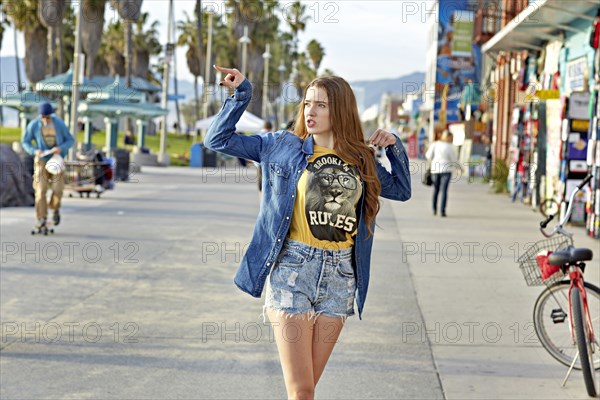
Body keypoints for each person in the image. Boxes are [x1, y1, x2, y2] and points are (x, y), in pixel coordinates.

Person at [204, 65, 411, 399]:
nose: (310, 111)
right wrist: (241, 94)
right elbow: (216, 139)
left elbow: (401, 189)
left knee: (308, 388)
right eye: (307, 103)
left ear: (340, 110)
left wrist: (394, 146)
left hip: (340, 277)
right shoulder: (282, 146)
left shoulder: (360, 160)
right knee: (300, 391)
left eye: (321, 104)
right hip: (293, 271)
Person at [22, 102, 74, 228]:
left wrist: (61, 148)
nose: (45, 119)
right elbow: (25, 141)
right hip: (41, 160)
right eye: (43, 117)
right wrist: (34, 150)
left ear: (52, 115)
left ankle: (55, 209)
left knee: (58, 189)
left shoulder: (59, 124)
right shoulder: (34, 125)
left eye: (48, 117)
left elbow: (70, 140)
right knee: (40, 190)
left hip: (56, 159)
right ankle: (41, 217)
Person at [425, 130, 458, 217]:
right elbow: (454, 160)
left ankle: (434, 209)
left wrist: (433, 163)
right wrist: (461, 168)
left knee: (436, 190)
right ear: (448, 137)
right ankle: (442, 211)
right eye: (451, 138)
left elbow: (428, 155)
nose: (452, 140)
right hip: (446, 171)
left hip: (435, 170)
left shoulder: (435, 144)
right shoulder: (449, 147)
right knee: (444, 191)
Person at [254, 121, 273, 192]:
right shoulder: (272, 134)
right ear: (270, 128)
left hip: (258, 159)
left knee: (260, 177)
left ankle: (261, 190)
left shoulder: (257, 135)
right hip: (269, 160)